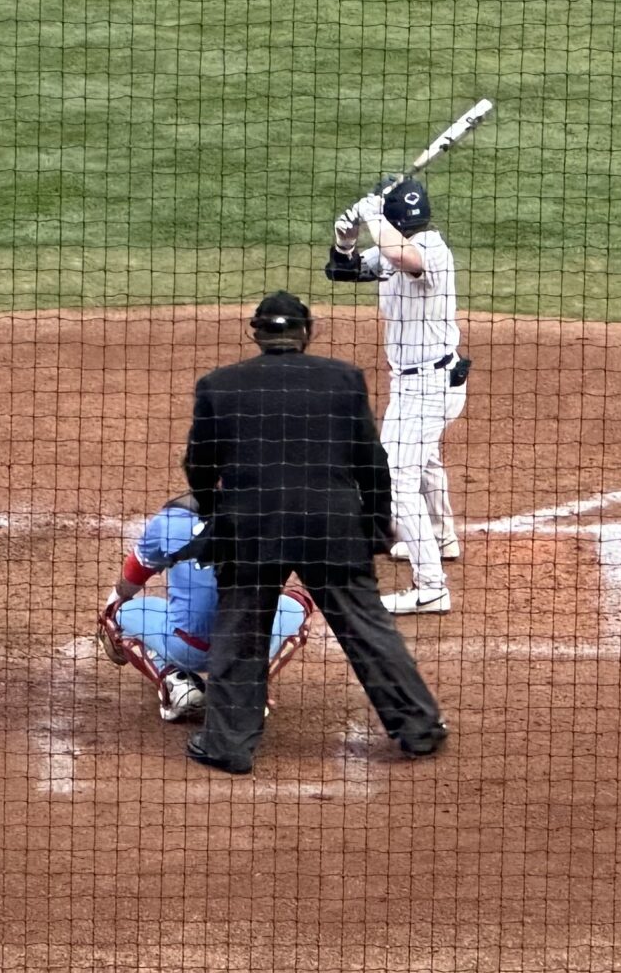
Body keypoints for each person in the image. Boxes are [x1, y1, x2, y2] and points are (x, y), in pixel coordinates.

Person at [180, 291, 446, 776]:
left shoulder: (218, 385)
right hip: (332, 525)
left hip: (252, 529)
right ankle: (418, 728)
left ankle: (227, 744)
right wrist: (373, 525)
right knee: (366, 629)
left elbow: (199, 465)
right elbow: (373, 462)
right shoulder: (343, 379)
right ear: (307, 332)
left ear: (256, 333)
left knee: (239, 634)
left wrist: (217, 509)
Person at [329, 177, 470, 613]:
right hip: (416, 384)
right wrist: (345, 241)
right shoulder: (395, 243)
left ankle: (431, 587)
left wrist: (371, 214)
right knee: (423, 460)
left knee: (395, 481)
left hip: (429, 385)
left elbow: (398, 255)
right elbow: (342, 272)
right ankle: (443, 537)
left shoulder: (430, 251)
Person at [104, 492, 309, 723]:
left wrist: (111, 607)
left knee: (117, 616)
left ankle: (177, 684)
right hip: (245, 650)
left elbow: (132, 577)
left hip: (188, 649)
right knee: (298, 606)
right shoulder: (275, 520)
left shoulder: (172, 518)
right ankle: (247, 686)